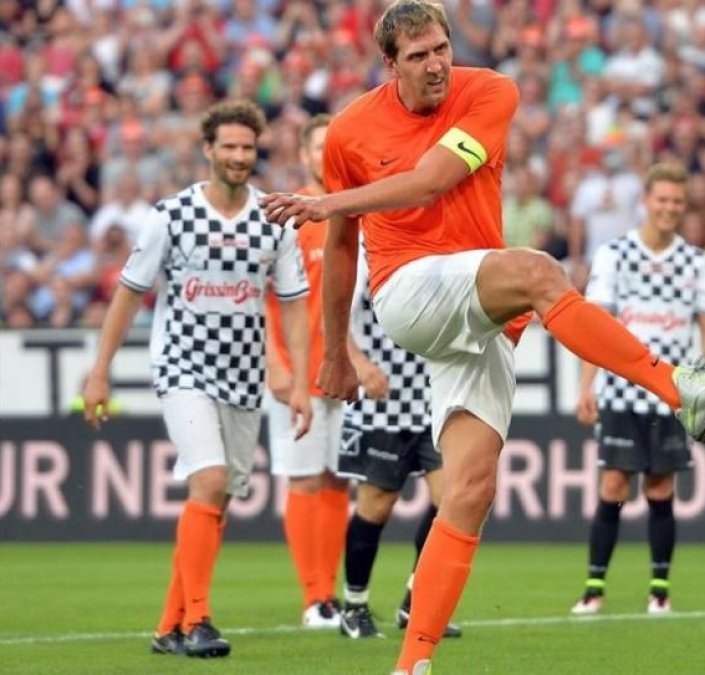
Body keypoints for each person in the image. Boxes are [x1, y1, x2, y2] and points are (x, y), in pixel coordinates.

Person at [259, 3, 705, 673]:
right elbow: (343, 250)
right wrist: (333, 350)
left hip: (476, 303)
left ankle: (411, 664)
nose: (436, 63)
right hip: (408, 293)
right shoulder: (350, 131)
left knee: (470, 489)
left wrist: (329, 201)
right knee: (537, 270)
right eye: (418, 56)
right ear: (389, 65)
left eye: (441, 47)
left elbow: (435, 178)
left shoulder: (491, 91)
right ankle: (681, 388)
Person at [81, 100, 313, 658]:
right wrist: (99, 373)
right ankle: (198, 621)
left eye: (247, 148)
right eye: (228, 147)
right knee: (208, 482)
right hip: (183, 369)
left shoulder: (273, 219)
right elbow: (129, 294)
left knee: (217, 502)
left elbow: (295, 305)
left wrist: (300, 380)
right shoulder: (171, 215)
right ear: (207, 150)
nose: (238, 156)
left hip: (244, 376)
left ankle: (168, 625)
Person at [570, 163, 705, 616]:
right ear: (646, 201)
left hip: (672, 394)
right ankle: (594, 588)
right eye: (662, 199)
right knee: (614, 483)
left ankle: (659, 590)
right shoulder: (615, 254)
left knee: (660, 489)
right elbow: (594, 327)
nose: (670, 208)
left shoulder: (696, 261)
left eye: (677, 201)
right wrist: (586, 386)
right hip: (620, 391)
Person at [336, 244, 462, 641]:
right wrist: (357, 362)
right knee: (377, 505)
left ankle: (416, 601)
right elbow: (333, 312)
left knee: (452, 501)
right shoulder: (365, 248)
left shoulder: (439, 245)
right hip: (381, 403)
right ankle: (354, 606)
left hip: (432, 399)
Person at [262, 114, 351, 629]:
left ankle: (331, 592)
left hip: (342, 369)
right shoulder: (287, 215)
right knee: (304, 478)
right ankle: (314, 596)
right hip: (298, 371)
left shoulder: (355, 211)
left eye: (332, 147)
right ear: (304, 155)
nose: (324, 155)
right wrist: (274, 362)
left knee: (339, 479)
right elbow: (257, 294)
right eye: (317, 147)